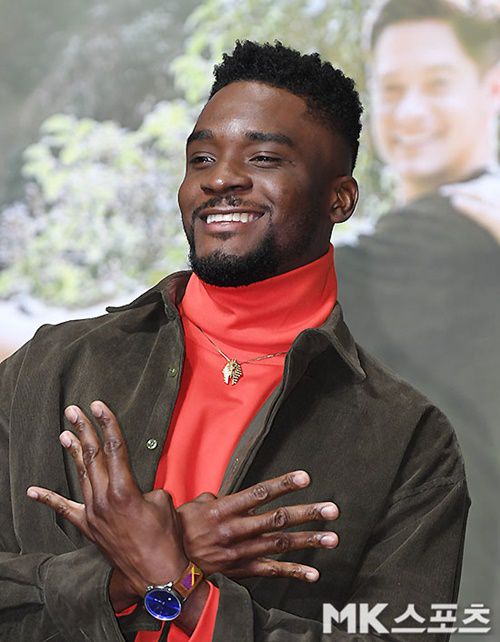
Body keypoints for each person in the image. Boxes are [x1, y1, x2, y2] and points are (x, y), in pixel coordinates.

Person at [0, 41, 469, 641]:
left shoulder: (408, 437)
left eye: (264, 157)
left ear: (341, 198)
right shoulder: (50, 366)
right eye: (201, 158)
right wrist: (123, 578)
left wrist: (181, 584)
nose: (220, 178)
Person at [335, 1, 500, 638]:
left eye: (437, 84)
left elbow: (249, 301)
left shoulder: (449, 238)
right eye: (393, 89)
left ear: (490, 88)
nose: (411, 112)